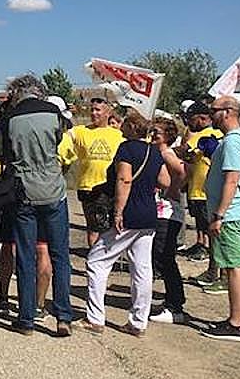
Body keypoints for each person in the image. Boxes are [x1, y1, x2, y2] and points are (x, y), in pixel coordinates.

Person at [0, 74, 74, 336]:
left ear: (16, 93)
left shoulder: (8, 118)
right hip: (54, 190)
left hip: (23, 192)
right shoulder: (54, 113)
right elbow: (59, 140)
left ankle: (26, 320)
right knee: (60, 256)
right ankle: (63, 316)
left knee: (25, 256)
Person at [81, 108, 168, 336]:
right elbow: (165, 180)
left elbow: (124, 179)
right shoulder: (153, 151)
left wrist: (118, 211)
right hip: (149, 214)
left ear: (132, 127)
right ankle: (138, 322)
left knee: (97, 261)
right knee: (142, 269)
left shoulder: (126, 149)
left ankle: (95, 318)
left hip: (129, 213)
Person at [199, 95, 240, 342]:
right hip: (235, 213)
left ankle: (235, 323)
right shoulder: (238, 139)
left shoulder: (232, 142)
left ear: (228, 112)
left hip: (229, 215)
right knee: (238, 266)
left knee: (233, 268)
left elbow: (231, 180)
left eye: (214, 111)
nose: (210, 115)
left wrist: (219, 215)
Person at [59, 96, 123, 250]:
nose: (94, 113)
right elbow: (63, 143)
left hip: (111, 187)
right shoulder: (80, 131)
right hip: (89, 187)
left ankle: (106, 255)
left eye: (98, 110)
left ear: (108, 112)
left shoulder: (118, 135)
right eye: (92, 110)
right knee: (94, 226)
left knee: (110, 226)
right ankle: (94, 255)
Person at [148, 117, 189, 325]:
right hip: (159, 211)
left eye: (157, 132)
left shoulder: (166, 153)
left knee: (164, 257)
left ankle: (175, 305)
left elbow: (183, 171)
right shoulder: (157, 152)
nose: (153, 135)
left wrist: (173, 189)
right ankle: (171, 299)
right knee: (161, 257)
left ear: (167, 136)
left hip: (167, 212)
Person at [181, 101, 223, 288]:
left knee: (213, 235)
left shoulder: (206, 135)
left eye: (191, 119)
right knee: (207, 230)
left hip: (203, 192)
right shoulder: (214, 135)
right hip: (198, 190)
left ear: (202, 118)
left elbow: (183, 151)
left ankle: (215, 271)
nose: (189, 123)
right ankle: (214, 270)